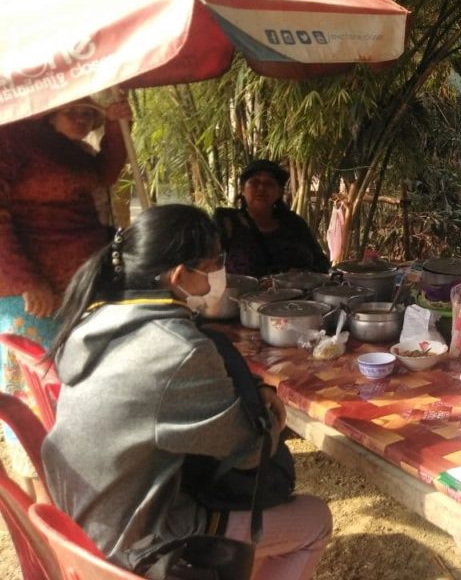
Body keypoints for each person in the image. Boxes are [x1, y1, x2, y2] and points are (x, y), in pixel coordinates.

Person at [41, 204, 332, 578]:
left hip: (83, 520)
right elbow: (248, 452)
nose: (214, 281)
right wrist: (272, 420)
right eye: (211, 268)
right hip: (138, 541)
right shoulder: (180, 348)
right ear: (179, 276)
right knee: (315, 519)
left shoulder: (94, 319)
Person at [0, 97, 130, 486]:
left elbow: (104, 174)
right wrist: (27, 279)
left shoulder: (74, 150)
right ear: (50, 101)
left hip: (80, 287)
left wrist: (114, 126)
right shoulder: (11, 138)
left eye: (92, 107)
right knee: (35, 394)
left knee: (74, 391)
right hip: (33, 295)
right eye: (76, 102)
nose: (84, 113)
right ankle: (43, 497)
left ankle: (77, 490)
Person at [215, 159, 330, 277]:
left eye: (269, 183)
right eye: (254, 182)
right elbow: (206, 266)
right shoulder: (227, 222)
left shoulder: (294, 223)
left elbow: (323, 263)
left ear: (279, 192)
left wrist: (301, 275)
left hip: (297, 293)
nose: (261, 188)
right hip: (242, 294)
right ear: (243, 190)